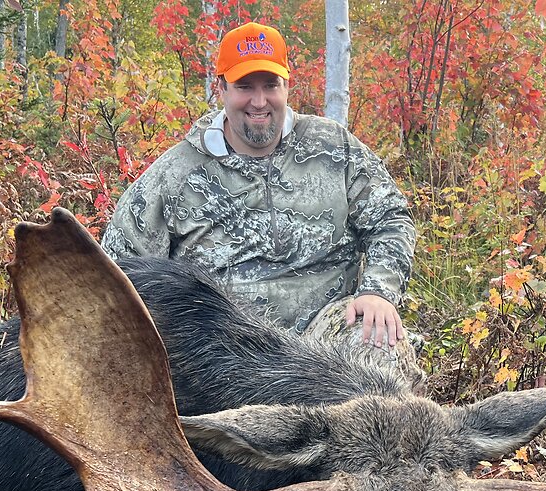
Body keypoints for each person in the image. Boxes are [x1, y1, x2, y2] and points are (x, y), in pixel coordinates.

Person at [102, 21, 417, 350]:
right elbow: (115, 269)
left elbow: (391, 219)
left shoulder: (332, 147)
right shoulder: (175, 174)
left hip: (328, 333)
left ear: (286, 87)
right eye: (244, 86)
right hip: (224, 349)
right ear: (221, 88)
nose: (259, 101)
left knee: (378, 339)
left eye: (270, 85)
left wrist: (377, 291)